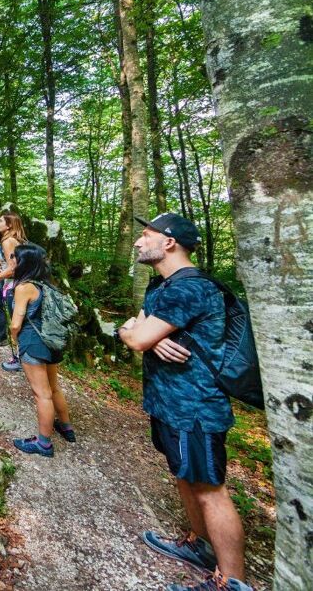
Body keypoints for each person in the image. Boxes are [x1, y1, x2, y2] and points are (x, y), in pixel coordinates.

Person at [117, 213, 250, 591]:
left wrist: (141, 334)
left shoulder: (190, 287)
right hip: (169, 403)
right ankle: (199, 545)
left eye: (146, 236)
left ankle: (233, 582)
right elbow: (137, 328)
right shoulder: (162, 286)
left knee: (209, 488)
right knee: (184, 475)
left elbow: (137, 336)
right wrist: (141, 332)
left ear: (170, 242)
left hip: (195, 406)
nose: (139, 243)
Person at [8, 243, 76, 457]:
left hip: (33, 342)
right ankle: (66, 427)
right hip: (52, 341)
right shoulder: (48, 286)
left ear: (23, 262)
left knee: (42, 394)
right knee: (54, 388)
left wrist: (15, 342)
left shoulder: (23, 287)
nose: (11, 261)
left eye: (14, 258)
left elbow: (16, 323)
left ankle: (43, 443)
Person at [0, 211, 27, 370]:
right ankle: (22, 358)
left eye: (0, 220)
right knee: (20, 323)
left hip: (14, 286)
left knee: (17, 324)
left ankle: (21, 360)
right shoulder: (14, 240)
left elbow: (12, 269)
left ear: (9, 225)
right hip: (17, 285)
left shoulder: (8, 241)